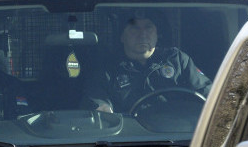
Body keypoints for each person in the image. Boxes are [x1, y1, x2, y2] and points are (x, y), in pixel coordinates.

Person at [84, 12, 212, 113]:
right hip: (129, 140)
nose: (143, 34)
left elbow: (209, 94)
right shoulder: (108, 70)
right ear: (122, 36)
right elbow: (97, 103)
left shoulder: (178, 61)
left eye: (148, 28)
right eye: (135, 28)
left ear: (157, 34)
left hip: (177, 137)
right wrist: (102, 108)